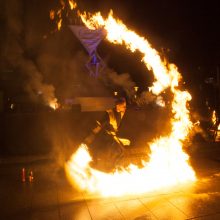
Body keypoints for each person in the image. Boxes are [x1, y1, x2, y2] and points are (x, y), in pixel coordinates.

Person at [84, 97, 130, 170]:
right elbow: (101, 125)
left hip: (113, 137)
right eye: (123, 106)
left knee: (121, 150)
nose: (125, 108)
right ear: (118, 105)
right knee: (112, 150)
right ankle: (97, 163)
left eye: (125, 106)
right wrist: (93, 134)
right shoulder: (109, 113)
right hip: (105, 137)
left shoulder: (121, 113)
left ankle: (115, 166)